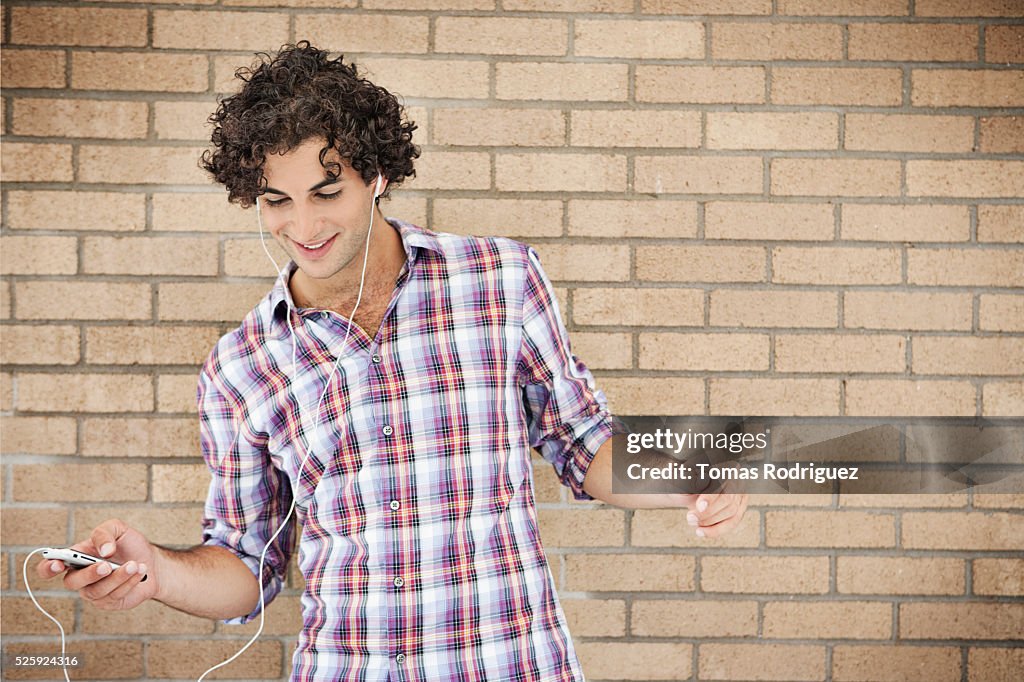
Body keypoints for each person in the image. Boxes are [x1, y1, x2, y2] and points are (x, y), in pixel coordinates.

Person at [37, 42, 748, 681]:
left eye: (327, 192)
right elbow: (248, 569)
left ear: (375, 174)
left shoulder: (499, 278)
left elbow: (580, 441)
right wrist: (157, 571)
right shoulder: (243, 364)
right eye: (276, 202)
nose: (305, 228)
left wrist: (692, 477)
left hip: (516, 664)